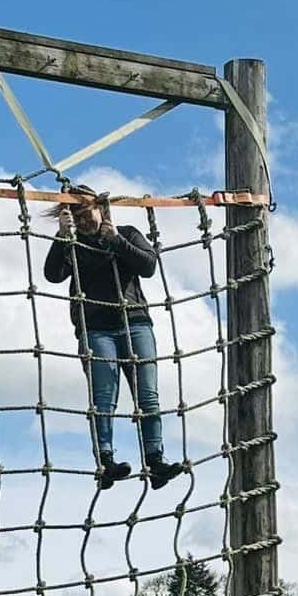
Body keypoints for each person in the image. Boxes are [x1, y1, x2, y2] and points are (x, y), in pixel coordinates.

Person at [42, 186, 184, 490]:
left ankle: (155, 461)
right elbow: (52, 275)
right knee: (104, 397)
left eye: (86, 212)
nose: (83, 220)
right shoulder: (74, 245)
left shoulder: (126, 233)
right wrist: (61, 238)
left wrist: (115, 240)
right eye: (76, 216)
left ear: (100, 208)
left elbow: (148, 266)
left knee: (147, 395)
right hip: (96, 329)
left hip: (134, 322)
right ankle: (106, 462)